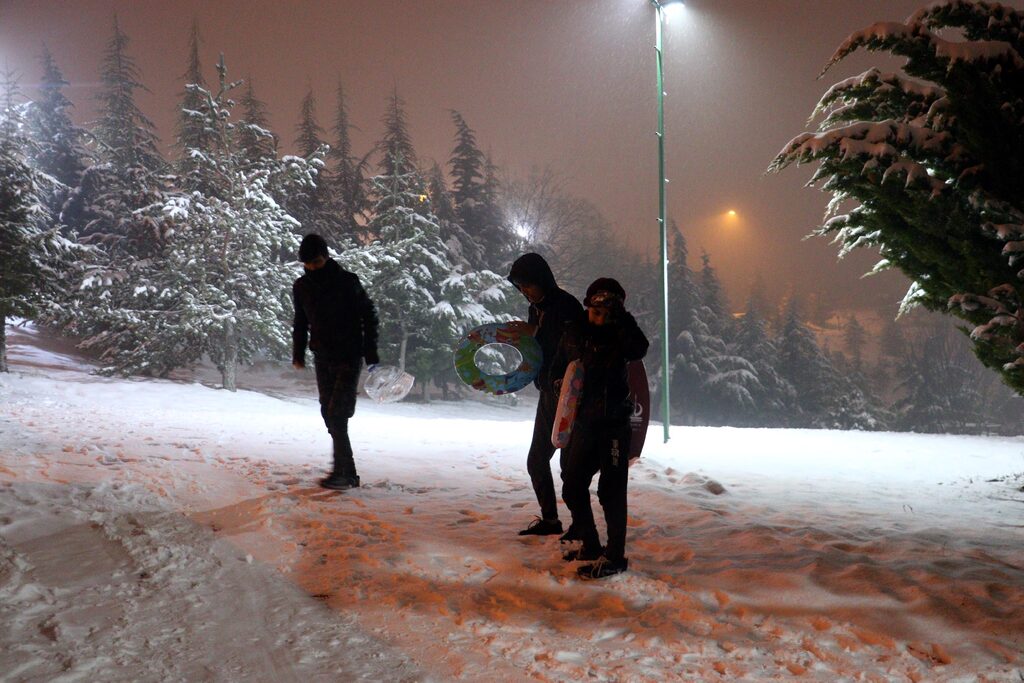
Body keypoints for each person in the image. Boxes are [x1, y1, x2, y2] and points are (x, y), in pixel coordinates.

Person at [554, 278, 649, 579]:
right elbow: (559, 367)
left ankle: (615, 556)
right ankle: (592, 545)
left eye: (608, 308)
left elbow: (639, 348)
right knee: (572, 483)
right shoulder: (575, 330)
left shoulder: (621, 334)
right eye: (595, 307)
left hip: (614, 426)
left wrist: (621, 319)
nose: (599, 314)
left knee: (611, 490)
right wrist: (557, 384)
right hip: (583, 422)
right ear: (587, 304)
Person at [292, 234, 380, 490]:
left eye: (317, 262)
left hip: (349, 355)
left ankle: (344, 473)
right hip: (322, 356)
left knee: (337, 413)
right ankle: (346, 472)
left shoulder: (347, 281)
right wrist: (298, 353)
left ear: (327, 257)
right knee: (327, 412)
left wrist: (370, 353)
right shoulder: (302, 286)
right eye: (307, 263)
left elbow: (369, 316)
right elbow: (301, 322)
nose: (312, 267)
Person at [507, 253, 585, 536]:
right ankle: (551, 521)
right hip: (547, 395)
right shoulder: (535, 309)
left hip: (570, 398)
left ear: (542, 280)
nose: (525, 292)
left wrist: (534, 331)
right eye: (520, 287)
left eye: (528, 285)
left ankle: (581, 526)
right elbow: (538, 348)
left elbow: (570, 345)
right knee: (536, 460)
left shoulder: (565, 305)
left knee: (570, 468)